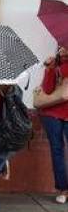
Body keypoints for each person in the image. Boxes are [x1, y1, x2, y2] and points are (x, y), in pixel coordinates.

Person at [38, 47, 68, 203]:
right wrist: (50, 70)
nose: (63, 49)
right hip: (52, 113)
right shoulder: (55, 65)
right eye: (61, 46)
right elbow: (47, 90)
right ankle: (63, 189)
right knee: (57, 150)